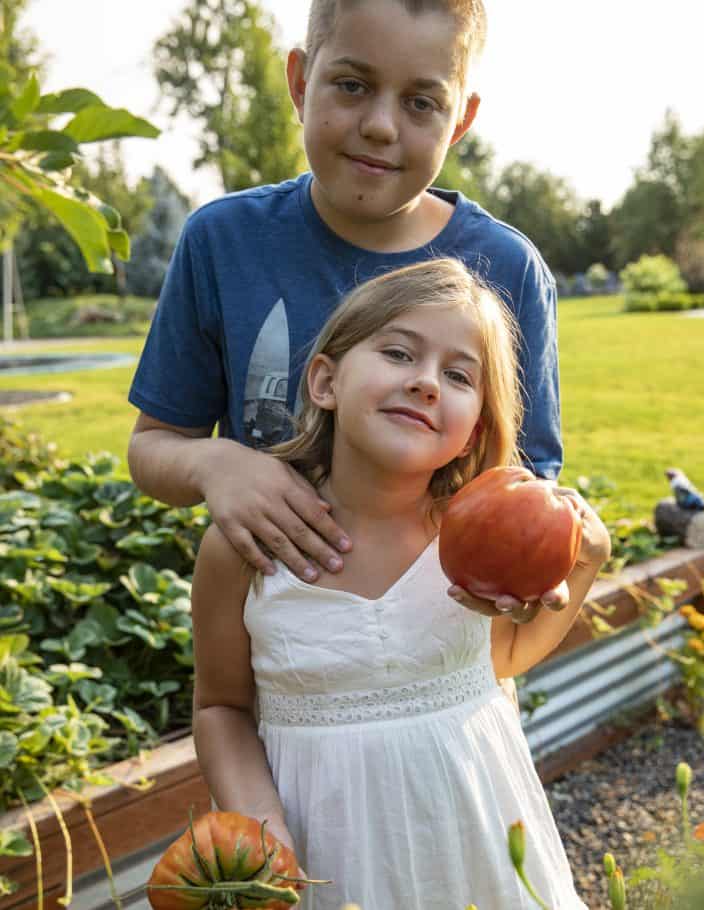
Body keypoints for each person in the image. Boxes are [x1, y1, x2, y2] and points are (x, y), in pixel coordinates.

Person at [191, 259, 611, 909]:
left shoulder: (485, 535)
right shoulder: (246, 547)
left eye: (458, 375)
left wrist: (585, 562)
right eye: (397, 352)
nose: (424, 383)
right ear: (325, 380)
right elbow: (222, 707)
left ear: (478, 420)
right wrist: (261, 830)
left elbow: (497, 662)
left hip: (474, 837)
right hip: (327, 858)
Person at [127, 0, 564, 625]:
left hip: (439, 655)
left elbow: (525, 483)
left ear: (461, 119)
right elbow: (153, 450)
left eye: (421, 101)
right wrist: (213, 462)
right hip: (269, 661)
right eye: (353, 85)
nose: (381, 126)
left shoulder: (506, 267)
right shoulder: (222, 241)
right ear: (301, 82)